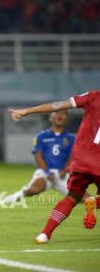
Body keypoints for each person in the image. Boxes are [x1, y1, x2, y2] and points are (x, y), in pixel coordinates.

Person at [9, 90, 100, 244]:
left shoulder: (94, 96)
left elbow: (57, 105)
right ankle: (95, 203)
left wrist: (27, 111)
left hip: (81, 159)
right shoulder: (43, 136)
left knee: (72, 197)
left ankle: (44, 234)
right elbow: (38, 154)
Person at [1, 110, 85, 204]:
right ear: (50, 117)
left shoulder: (71, 138)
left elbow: (72, 157)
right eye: (57, 113)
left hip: (63, 174)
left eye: (63, 114)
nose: (60, 115)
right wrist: (47, 172)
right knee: (33, 190)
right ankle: (19, 195)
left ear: (66, 118)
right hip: (45, 172)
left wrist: (65, 170)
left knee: (85, 199)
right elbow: (38, 157)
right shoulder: (41, 136)